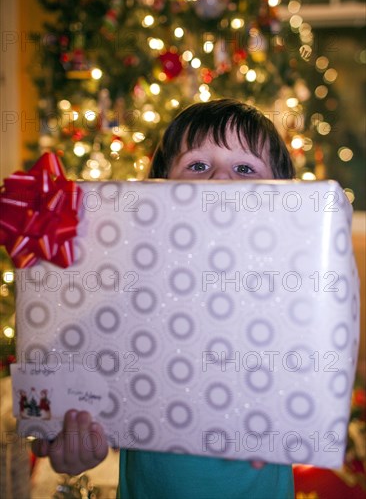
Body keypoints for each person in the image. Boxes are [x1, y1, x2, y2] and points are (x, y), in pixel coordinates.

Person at [32, 99, 295, 498]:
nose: (219, 181)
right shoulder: (126, 296)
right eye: (197, 165)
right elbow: (59, 399)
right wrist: (67, 440)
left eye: (244, 168)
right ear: (158, 190)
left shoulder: (291, 299)